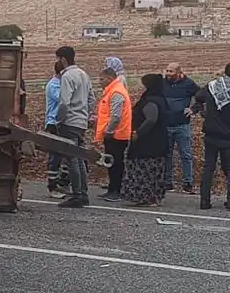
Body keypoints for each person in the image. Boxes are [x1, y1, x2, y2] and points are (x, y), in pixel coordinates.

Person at [191, 62, 230, 211]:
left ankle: (204, 201)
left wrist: (204, 107)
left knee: (208, 167)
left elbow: (199, 95)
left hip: (211, 133)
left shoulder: (212, 86)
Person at [115, 73, 168, 207]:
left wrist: (138, 132)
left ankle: (144, 196)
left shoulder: (151, 100)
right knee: (155, 171)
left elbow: (151, 119)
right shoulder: (161, 98)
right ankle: (152, 197)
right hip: (159, 142)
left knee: (145, 170)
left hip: (148, 143)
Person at [53, 46, 93, 208]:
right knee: (80, 157)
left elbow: (64, 103)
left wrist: (59, 120)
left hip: (69, 122)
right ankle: (83, 193)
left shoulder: (67, 76)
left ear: (63, 59)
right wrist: (85, 114)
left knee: (72, 159)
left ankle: (77, 195)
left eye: (57, 59)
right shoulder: (84, 74)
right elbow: (91, 98)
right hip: (81, 122)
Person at [94, 57, 132, 199]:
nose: (100, 82)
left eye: (102, 79)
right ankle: (113, 189)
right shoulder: (113, 90)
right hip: (115, 134)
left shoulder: (116, 92)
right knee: (114, 163)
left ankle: (116, 191)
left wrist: (109, 131)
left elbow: (116, 116)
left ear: (110, 78)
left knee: (115, 163)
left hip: (117, 135)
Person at [162, 62, 200, 193]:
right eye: (167, 71)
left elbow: (201, 96)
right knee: (167, 154)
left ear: (178, 72)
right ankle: (167, 182)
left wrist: (193, 109)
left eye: (171, 71)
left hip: (182, 125)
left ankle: (187, 183)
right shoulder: (163, 83)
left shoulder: (188, 84)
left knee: (186, 155)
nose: (168, 74)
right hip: (166, 124)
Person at [44, 61, 65, 196]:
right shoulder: (53, 85)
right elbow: (62, 99)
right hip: (53, 123)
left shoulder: (61, 83)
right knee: (55, 155)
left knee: (63, 154)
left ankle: (61, 182)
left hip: (61, 122)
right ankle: (52, 186)